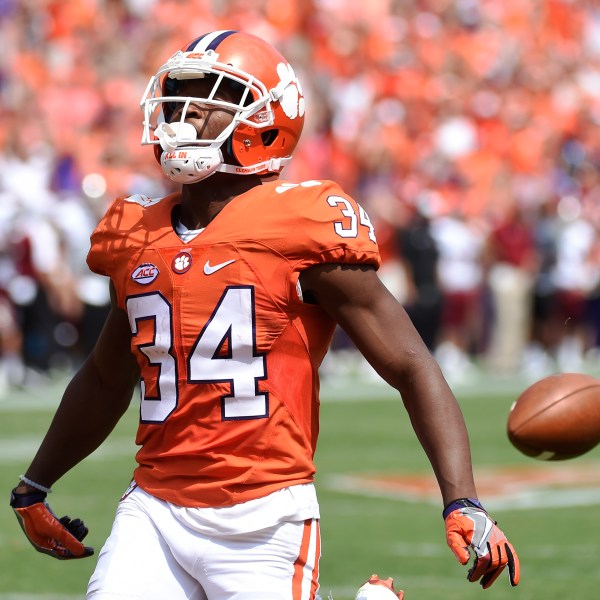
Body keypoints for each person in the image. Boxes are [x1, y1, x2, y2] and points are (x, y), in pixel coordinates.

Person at [9, 30, 520, 599]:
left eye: (210, 97)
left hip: (264, 517)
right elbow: (107, 375)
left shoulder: (300, 224)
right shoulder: (140, 234)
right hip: (153, 507)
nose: (182, 114)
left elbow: (410, 364)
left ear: (265, 123)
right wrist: (35, 485)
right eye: (178, 97)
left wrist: (463, 499)